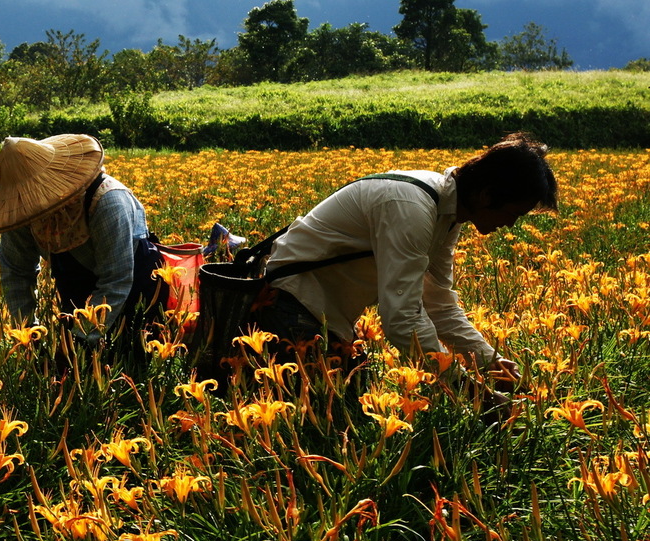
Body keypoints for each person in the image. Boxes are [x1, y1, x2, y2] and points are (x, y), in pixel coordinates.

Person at [238, 132, 557, 386]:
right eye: (513, 212)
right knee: (328, 410)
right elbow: (400, 319)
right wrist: (463, 385)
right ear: (488, 195)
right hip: (290, 305)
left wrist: (489, 362)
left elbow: (439, 304)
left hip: (325, 318)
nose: (511, 224)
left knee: (347, 399)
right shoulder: (412, 206)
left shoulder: (446, 215)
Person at [0, 134, 163, 350]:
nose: (36, 209)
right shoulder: (20, 209)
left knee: (130, 355)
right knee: (73, 372)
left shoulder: (108, 201)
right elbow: (16, 272)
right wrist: (28, 334)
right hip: (76, 288)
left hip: (134, 286)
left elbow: (116, 279)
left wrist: (80, 339)